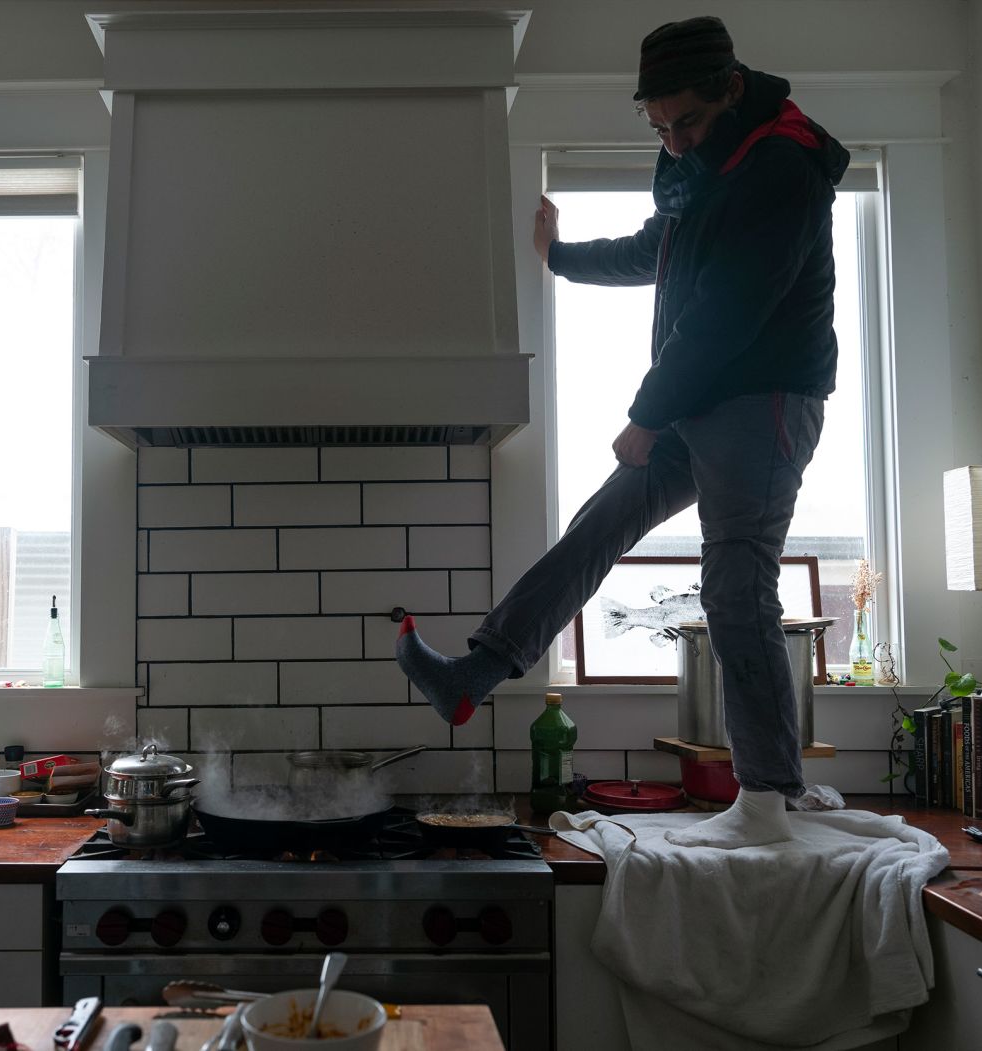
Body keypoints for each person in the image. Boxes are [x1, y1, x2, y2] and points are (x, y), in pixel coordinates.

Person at [396, 15, 850, 849]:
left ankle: (768, 795)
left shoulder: (780, 167)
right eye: (659, 126)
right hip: (700, 396)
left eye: (688, 123)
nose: (674, 143)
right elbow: (660, 250)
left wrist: (645, 413)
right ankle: (474, 674)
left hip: (760, 400)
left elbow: (725, 315)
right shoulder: (702, 166)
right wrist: (561, 258)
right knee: (598, 525)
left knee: (735, 585)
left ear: (732, 90)